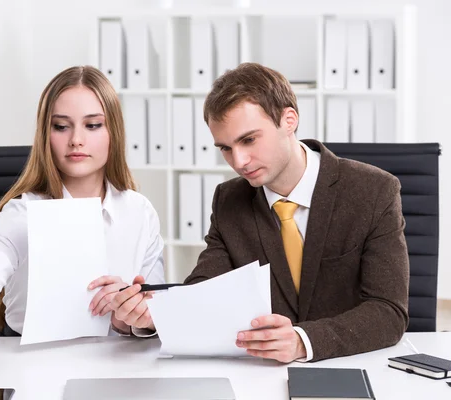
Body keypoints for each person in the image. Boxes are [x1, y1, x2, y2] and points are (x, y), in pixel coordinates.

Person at [111, 62, 409, 363]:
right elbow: (204, 288)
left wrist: (302, 340)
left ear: (288, 120)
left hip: (351, 367)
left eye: (249, 139)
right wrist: (154, 315)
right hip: (260, 375)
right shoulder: (229, 199)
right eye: (225, 148)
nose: (239, 161)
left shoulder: (373, 191)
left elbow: (388, 310)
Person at [0, 65, 164, 356]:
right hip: (30, 360)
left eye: (92, 125)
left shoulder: (140, 213)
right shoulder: (22, 213)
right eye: (61, 126)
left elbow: (158, 309)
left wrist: (133, 320)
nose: (76, 139)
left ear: (113, 131)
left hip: (115, 361)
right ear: (45, 134)